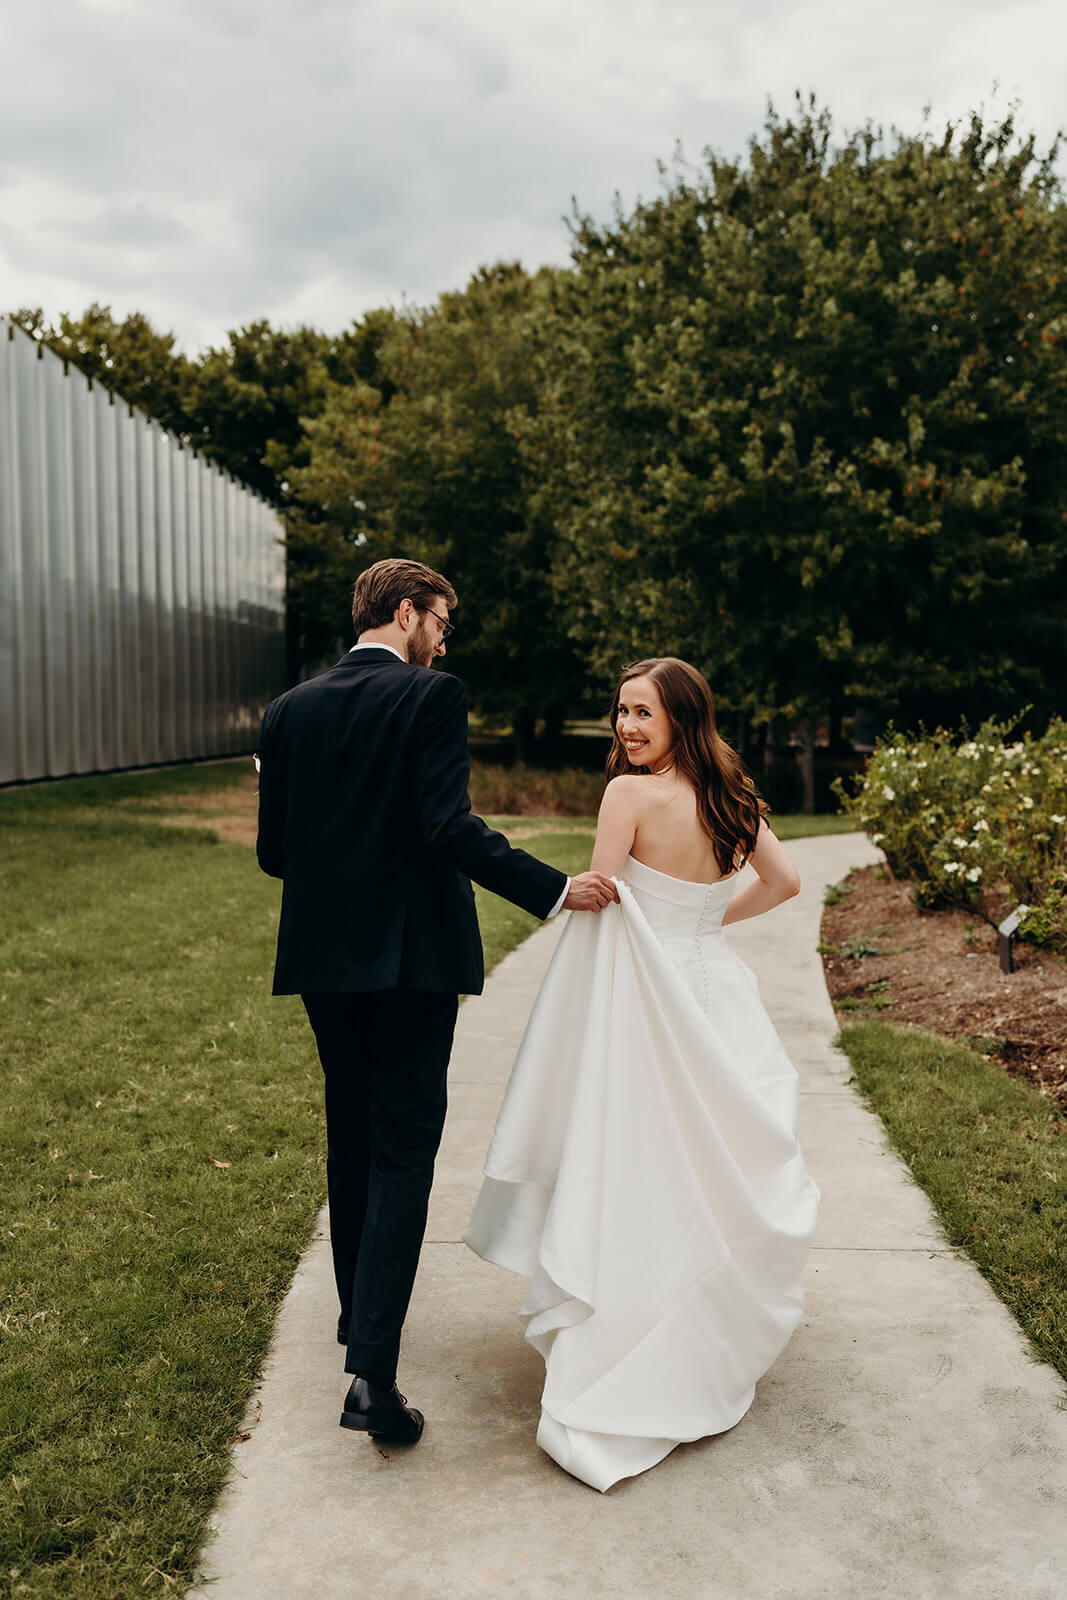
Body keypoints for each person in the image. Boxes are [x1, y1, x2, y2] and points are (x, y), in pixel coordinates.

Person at [255, 558, 617, 1446]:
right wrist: (553, 886)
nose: (443, 641)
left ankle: (359, 1320)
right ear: (407, 612)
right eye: (440, 622)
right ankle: (371, 1378)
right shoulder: (431, 697)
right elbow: (447, 827)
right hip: (411, 962)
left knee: (353, 1140)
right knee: (405, 1151)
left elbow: (275, 852)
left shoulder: (287, 710)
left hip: (324, 962)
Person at [464, 657, 819, 1491]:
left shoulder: (627, 797)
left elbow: (604, 901)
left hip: (646, 1000)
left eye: (641, 715)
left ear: (678, 720)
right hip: (712, 992)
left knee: (637, 1168)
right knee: (709, 1167)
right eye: (620, 712)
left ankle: (624, 1331)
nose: (625, 728)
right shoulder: (729, 791)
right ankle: (700, 1327)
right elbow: (786, 880)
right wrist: (705, 922)